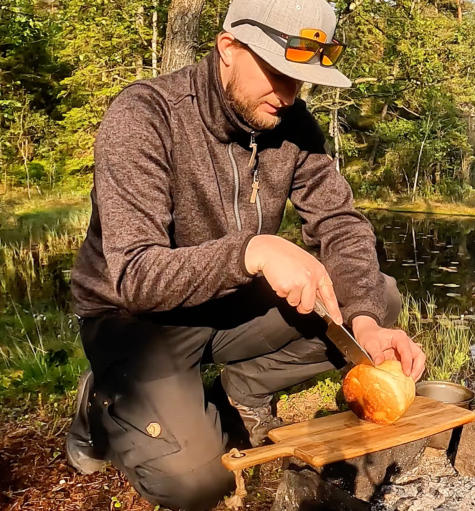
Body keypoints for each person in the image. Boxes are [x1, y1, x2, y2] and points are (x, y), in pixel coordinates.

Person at [64, 0, 426, 508]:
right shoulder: (144, 116)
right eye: (277, 72)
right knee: (196, 483)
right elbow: (135, 276)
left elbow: (341, 225)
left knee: (379, 297)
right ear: (228, 46)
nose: (288, 93)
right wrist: (251, 251)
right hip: (136, 322)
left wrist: (364, 323)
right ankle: (100, 407)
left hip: (230, 309)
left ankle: (242, 390)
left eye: (300, 80)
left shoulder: (295, 125)